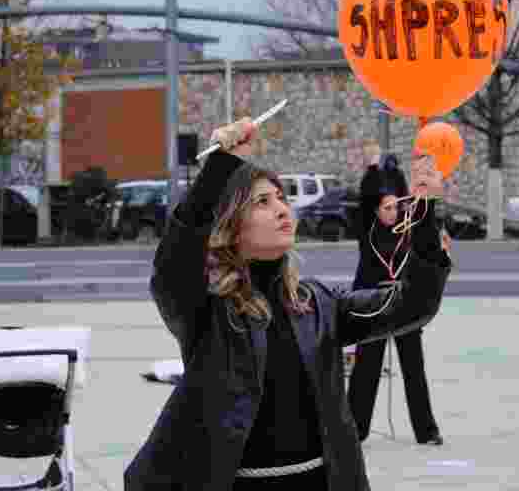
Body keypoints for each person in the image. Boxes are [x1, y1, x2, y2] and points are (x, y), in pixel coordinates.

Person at [123, 118, 452, 491]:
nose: (282, 209)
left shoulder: (319, 305)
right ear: (231, 227)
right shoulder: (207, 310)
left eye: (281, 198)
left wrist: (424, 213)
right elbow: (174, 265)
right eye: (262, 202)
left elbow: (412, 305)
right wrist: (218, 169)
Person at [347, 143, 444, 447]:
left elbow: (422, 214)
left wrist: (422, 183)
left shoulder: (406, 232)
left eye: (395, 207)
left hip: (404, 305)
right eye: (386, 207)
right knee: (366, 369)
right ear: (376, 210)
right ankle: (354, 430)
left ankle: (426, 430)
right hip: (373, 306)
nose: (393, 212)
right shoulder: (367, 231)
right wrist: (372, 168)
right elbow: (366, 198)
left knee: (414, 368)